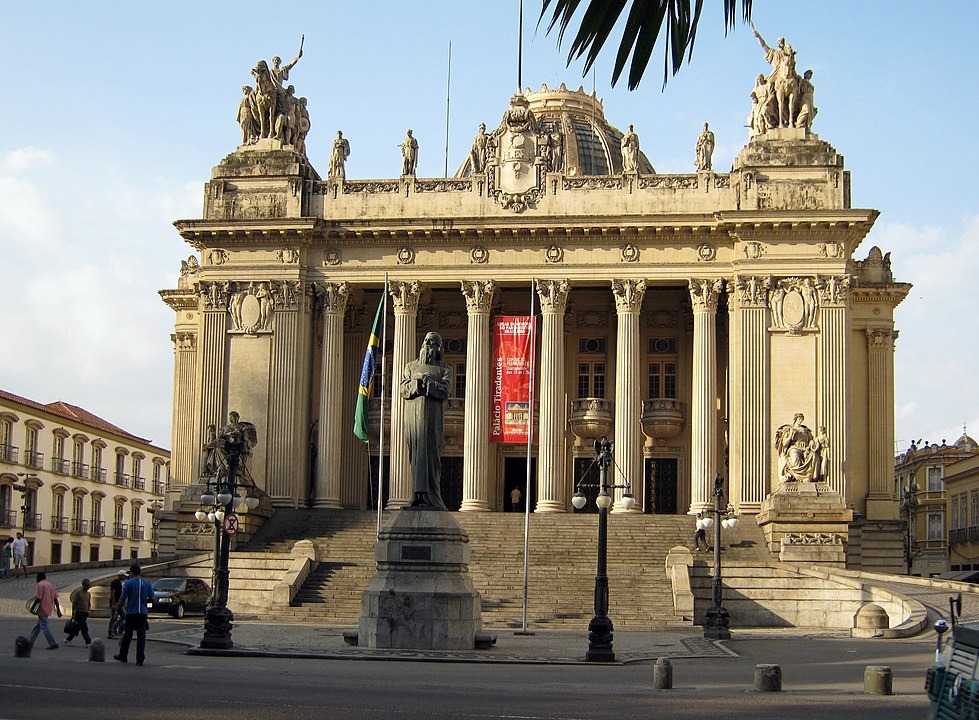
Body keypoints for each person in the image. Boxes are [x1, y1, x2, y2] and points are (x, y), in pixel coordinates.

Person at [400, 332, 451, 509]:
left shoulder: (444, 369)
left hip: (433, 419)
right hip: (413, 419)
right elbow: (403, 388)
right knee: (415, 456)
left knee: (432, 457)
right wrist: (416, 384)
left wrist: (429, 383)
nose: (428, 344)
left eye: (433, 342)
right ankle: (417, 497)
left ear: (439, 347)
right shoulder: (410, 367)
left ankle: (433, 497)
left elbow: (445, 390)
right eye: (426, 341)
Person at [114, 564, 153, 666]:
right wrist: (145, 602)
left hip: (131, 612)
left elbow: (122, 599)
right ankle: (140, 659)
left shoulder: (128, 583)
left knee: (128, 635)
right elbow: (152, 598)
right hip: (143, 613)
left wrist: (117, 611)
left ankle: (123, 655)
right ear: (140, 572)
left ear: (131, 573)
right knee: (141, 637)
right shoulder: (147, 583)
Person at [28, 571, 62, 650]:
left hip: (42, 608)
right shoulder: (50, 584)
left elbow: (38, 599)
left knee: (45, 626)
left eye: (37, 577)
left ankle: (53, 643)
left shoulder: (40, 585)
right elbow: (55, 599)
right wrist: (58, 610)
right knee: (38, 626)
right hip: (48, 608)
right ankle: (30, 642)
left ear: (39, 577)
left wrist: (33, 608)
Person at [64, 579, 92, 647]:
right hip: (79, 613)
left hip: (85, 613)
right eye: (88, 585)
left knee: (77, 627)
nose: (89, 586)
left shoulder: (88, 593)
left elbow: (88, 603)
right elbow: (74, 603)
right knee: (84, 628)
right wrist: (73, 613)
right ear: (84, 585)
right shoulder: (78, 592)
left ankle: (68, 639)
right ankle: (88, 642)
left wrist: (88, 610)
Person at [107, 569, 126, 639]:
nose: (125, 577)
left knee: (123, 616)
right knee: (113, 618)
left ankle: (114, 628)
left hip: (118, 602)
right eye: (124, 576)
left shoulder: (120, 583)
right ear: (121, 576)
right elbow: (112, 593)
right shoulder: (114, 583)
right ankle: (110, 632)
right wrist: (114, 603)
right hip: (115, 603)